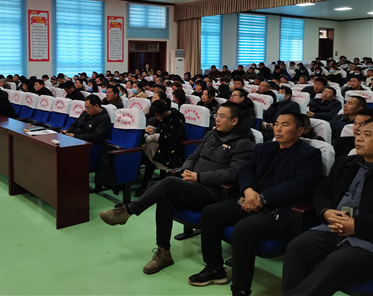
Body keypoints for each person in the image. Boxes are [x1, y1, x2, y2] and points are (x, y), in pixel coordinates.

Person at [99, 102, 256, 274]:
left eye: (222, 116)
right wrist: (184, 171)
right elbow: (194, 156)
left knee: (169, 182)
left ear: (234, 121)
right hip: (195, 185)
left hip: (216, 193)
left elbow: (233, 173)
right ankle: (163, 252)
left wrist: (199, 177)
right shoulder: (212, 134)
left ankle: (128, 211)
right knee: (165, 198)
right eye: (216, 115)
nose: (217, 119)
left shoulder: (244, 143)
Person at [189, 113, 323, 296]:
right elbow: (246, 170)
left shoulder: (310, 154)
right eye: (276, 124)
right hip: (250, 199)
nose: (278, 129)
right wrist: (248, 191)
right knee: (210, 213)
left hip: (278, 209)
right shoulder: (264, 148)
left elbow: (299, 185)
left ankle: (240, 289)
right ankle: (214, 269)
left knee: (244, 229)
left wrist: (261, 198)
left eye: (285, 125)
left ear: (300, 131)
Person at [282, 118, 373, 296]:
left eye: (367, 135)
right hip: (333, 228)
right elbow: (322, 190)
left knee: (336, 263)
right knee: (297, 248)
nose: (359, 138)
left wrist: (356, 226)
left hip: (367, 239)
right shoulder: (345, 163)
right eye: (359, 134)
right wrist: (327, 211)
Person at [135, 99, 188, 196]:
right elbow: (163, 131)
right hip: (165, 145)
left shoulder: (176, 119)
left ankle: (146, 183)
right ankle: (146, 181)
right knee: (147, 144)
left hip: (175, 149)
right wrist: (154, 130)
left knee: (149, 147)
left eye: (156, 115)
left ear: (162, 112)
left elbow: (172, 139)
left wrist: (155, 137)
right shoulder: (164, 117)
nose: (155, 118)